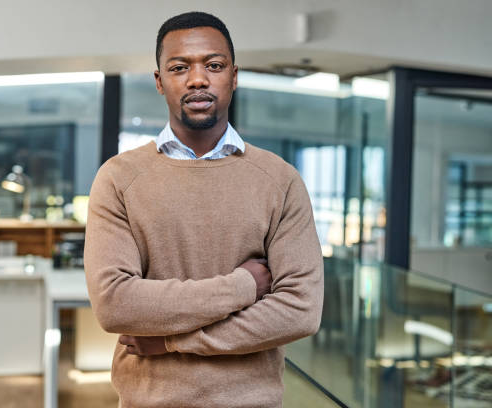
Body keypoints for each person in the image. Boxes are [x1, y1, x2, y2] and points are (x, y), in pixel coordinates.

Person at [84, 11, 324, 408]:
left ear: (233, 76)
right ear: (160, 82)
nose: (198, 79)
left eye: (213, 65)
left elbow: (300, 311)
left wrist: (170, 340)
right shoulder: (118, 178)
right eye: (180, 67)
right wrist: (243, 287)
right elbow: (115, 304)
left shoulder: (279, 180)